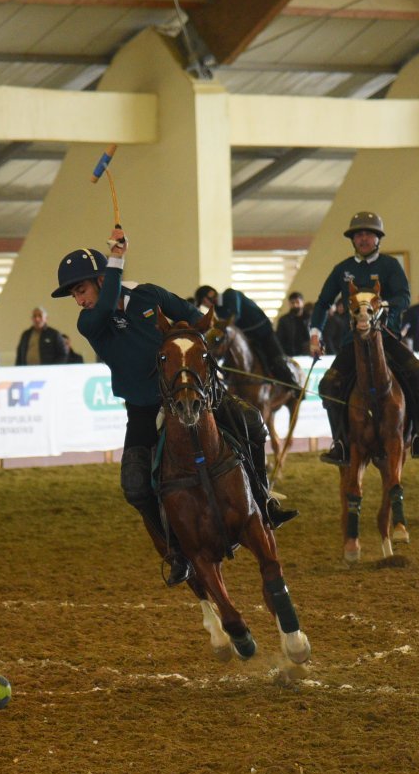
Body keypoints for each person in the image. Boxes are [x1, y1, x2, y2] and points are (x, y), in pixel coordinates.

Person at [52, 228, 294, 586]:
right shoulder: (89, 321)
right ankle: (174, 551)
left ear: (99, 280)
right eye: (74, 294)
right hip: (144, 406)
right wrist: (118, 259)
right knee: (135, 484)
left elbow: (196, 321)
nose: (79, 300)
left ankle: (263, 500)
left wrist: (203, 348)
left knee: (251, 422)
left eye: (81, 290)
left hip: (192, 393)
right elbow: (105, 306)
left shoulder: (150, 295)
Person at [306, 211, 419, 464]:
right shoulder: (343, 270)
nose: (363, 239)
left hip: (386, 338)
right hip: (351, 342)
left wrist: (383, 305)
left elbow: (404, 297)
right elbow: (322, 303)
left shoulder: (389, 266)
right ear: (353, 240)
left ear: (378, 238)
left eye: (368, 234)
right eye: (358, 235)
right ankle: (340, 442)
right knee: (329, 385)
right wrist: (315, 335)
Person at [194, 285, 289, 380]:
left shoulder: (230, 294)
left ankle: (292, 385)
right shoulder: (218, 309)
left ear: (210, 294)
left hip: (264, 332)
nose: (205, 305)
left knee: (278, 360)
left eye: (203, 301)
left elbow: (235, 315)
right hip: (248, 337)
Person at [274, 291, 310, 357]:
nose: (295, 305)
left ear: (302, 302)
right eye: (292, 303)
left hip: (308, 354)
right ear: (289, 304)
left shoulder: (310, 318)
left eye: (297, 302)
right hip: (291, 354)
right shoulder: (284, 320)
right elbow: (279, 339)